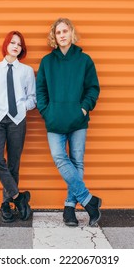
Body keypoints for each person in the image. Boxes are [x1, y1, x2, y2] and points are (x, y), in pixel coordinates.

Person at [36, 18, 101, 227]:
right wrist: (47, 112)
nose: (62, 35)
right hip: (55, 120)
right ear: (54, 37)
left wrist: (83, 108)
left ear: (71, 33)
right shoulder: (47, 61)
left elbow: (93, 88)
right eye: (58, 32)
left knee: (77, 161)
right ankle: (89, 201)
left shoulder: (84, 60)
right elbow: (41, 91)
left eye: (65, 31)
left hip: (78, 120)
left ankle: (70, 208)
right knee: (59, 157)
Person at [0, 31, 36, 222]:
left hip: (17, 120)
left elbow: (32, 98)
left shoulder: (26, 71)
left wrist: (22, 107)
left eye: (19, 44)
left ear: (22, 49)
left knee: (13, 164)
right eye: (12, 42)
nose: (15, 46)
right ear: (6, 45)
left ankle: (6, 204)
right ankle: (19, 198)